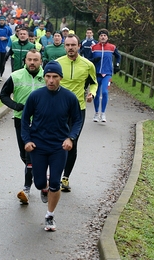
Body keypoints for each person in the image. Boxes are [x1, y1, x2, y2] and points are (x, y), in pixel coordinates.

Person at [21, 61, 82, 231]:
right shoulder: (35, 96)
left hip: (58, 146)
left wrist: (71, 138)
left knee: (56, 182)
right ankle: (44, 188)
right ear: (44, 77)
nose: (51, 80)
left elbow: (77, 120)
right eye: (48, 76)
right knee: (40, 182)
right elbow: (25, 120)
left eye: (55, 77)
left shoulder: (69, 97)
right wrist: (27, 140)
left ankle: (50, 216)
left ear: (60, 78)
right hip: (38, 146)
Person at [0, 49, 45, 204]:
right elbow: (3, 95)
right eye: (29, 60)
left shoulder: (47, 77)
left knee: (31, 154)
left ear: (41, 61)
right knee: (24, 154)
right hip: (21, 120)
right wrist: (16, 105)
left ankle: (26, 187)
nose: (32, 63)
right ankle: (39, 173)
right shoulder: (16, 76)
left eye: (35, 60)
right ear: (25, 61)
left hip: (42, 122)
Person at [56, 34, 98, 192]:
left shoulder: (88, 65)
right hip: (59, 109)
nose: (70, 48)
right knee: (56, 142)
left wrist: (92, 94)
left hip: (78, 110)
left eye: (73, 45)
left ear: (79, 46)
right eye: (67, 45)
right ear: (64, 46)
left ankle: (65, 178)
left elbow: (94, 83)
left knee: (71, 143)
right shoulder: (58, 63)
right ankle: (54, 174)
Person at [91, 28, 121, 122]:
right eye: (101, 36)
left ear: (107, 37)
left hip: (107, 74)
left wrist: (117, 65)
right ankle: (96, 113)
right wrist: (94, 61)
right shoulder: (94, 47)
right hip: (96, 73)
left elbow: (118, 56)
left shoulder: (112, 47)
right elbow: (88, 59)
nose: (103, 37)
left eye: (104, 36)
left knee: (104, 92)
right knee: (95, 94)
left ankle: (103, 113)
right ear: (99, 37)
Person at [0, 16, 12, 84]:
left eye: (3, 20)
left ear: (5, 21)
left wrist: (6, 38)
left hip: (4, 48)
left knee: (2, 63)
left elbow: (11, 37)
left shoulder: (8, 28)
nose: (1, 22)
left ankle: (0, 75)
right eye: (0, 20)